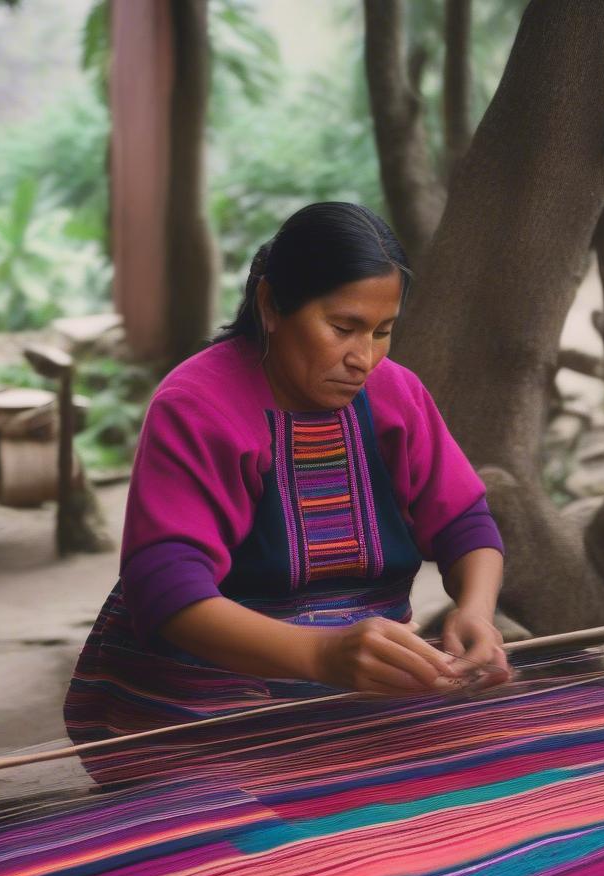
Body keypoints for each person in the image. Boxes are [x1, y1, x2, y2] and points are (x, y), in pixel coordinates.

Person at [64, 201, 511, 753]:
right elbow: (166, 588)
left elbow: (464, 521)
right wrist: (320, 655)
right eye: (343, 328)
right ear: (272, 304)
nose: (364, 358)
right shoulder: (196, 406)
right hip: (202, 716)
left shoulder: (398, 395)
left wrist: (475, 611)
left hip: (359, 706)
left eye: (382, 332)